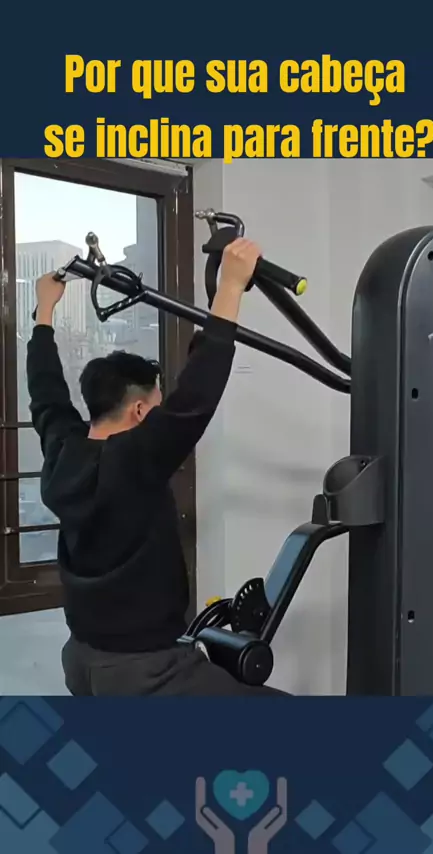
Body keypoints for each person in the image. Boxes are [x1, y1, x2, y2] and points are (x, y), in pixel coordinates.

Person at [27, 238, 287, 697]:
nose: (163, 411)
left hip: (82, 660)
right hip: (148, 671)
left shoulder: (63, 449)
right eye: (157, 403)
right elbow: (197, 396)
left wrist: (44, 312)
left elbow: (46, 392)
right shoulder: (135, 458)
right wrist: (230, 285)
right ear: (139, 411)